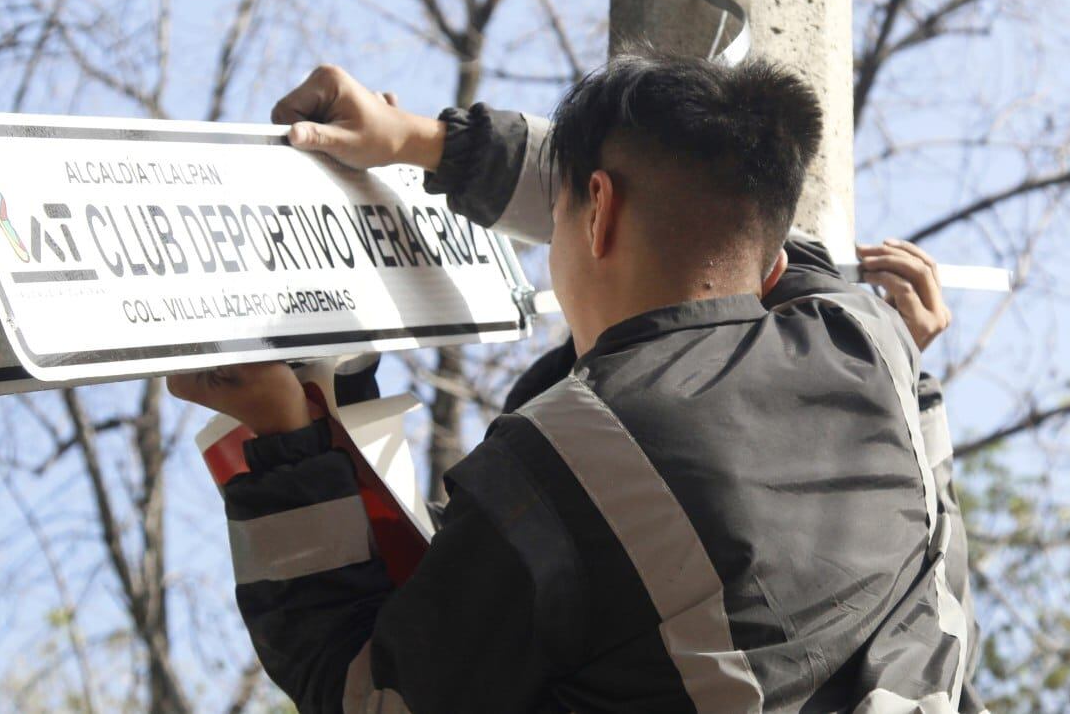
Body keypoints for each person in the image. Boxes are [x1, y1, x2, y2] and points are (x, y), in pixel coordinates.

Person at [169, 47, 983, 713]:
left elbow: (370, 696)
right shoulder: (869, 338)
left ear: (598, 208)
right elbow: (754, 230)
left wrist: (283, 444)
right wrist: (422, 142)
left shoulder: (570, 461)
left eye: (559, 210)